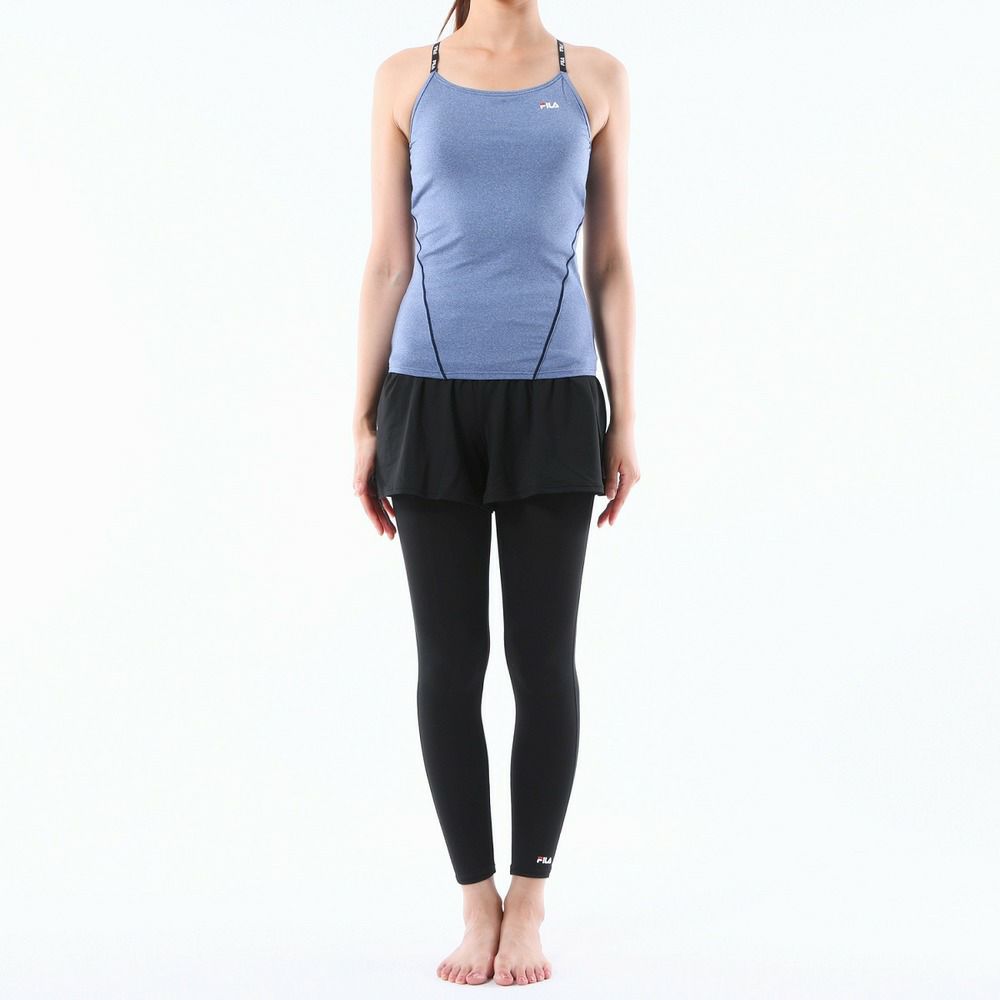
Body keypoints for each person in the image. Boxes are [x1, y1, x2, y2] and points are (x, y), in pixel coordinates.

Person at [352, 0, 639, 986]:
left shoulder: (595, 76)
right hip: (426, 399)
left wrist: (625, 415)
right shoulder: (407, 76)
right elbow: (388, 258)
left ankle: (532, 900)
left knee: (541, 659)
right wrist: (361, 418)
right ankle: (477, 900)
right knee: (450, 662)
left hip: (554, 400)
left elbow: (609, 259)